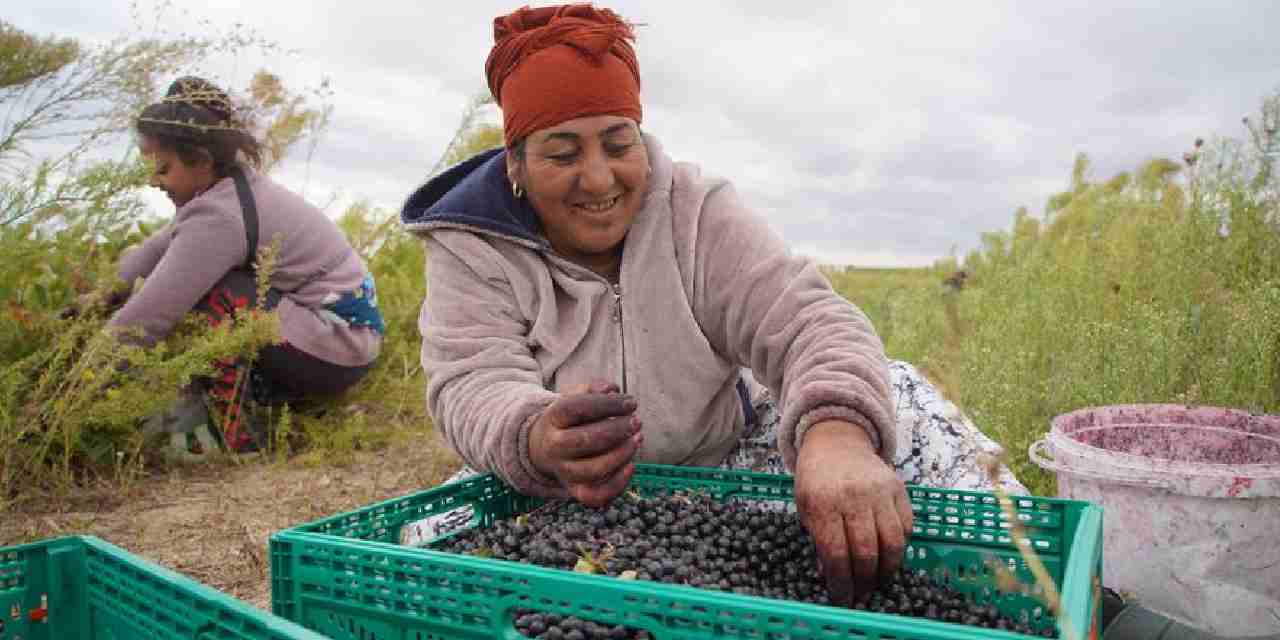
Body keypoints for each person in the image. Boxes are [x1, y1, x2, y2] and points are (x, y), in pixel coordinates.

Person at [400, 4, 1024, 606]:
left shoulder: (694, 212)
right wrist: (534, 435)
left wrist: (835, 438)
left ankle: (1053, 596)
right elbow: (470, 380)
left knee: (903, 397)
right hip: (560, 490)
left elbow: (808, 320)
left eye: (619, 145)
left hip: (722, 467)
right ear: (516, 164)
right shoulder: (470, 245)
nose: (598, 179)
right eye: (562, 155)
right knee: (424, 547)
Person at [96, 76, 384, 456]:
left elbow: (149, 316)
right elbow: (152, 253)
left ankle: (233, 432)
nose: (153, 181)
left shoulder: (221, 216)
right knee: (209, 283)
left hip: (337, 347)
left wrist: (75, 386)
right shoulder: (229, 192)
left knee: (219, 294)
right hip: (336, 339)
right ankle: (263, 401)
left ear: (200, 158)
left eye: (163, 169)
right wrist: (100, 297)